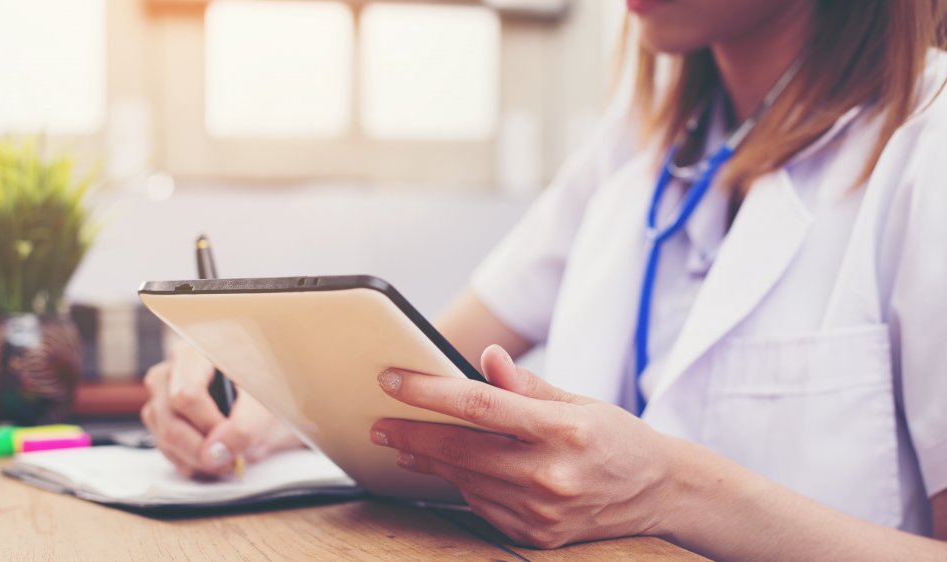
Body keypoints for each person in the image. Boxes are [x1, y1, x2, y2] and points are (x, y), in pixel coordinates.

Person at [142, 0, 947, 557]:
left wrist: (672, 490)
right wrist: (254, 398)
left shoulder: (927, 144)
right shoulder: (638, 142)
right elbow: (415, 369)